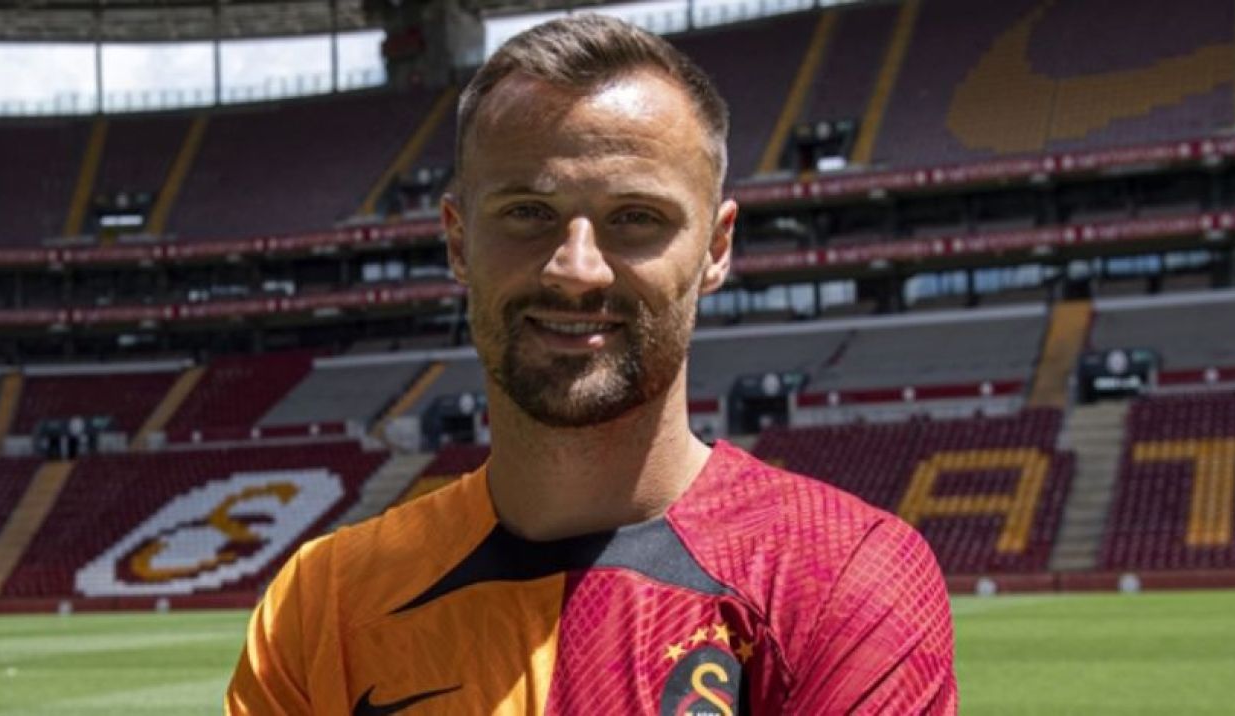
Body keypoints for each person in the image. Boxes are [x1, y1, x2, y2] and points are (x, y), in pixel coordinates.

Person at [227, 14, 956, 715]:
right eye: (527, 213)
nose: (576, 270)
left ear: (716, 248)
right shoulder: (323, 604)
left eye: (635, 218)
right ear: (457, 240)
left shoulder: (843, 577)